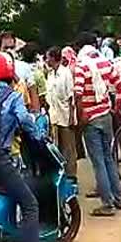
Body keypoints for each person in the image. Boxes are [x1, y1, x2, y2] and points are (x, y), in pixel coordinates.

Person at [0, 51, 56, 242]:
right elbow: (26, 122)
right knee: (31, 204)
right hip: (1, 160)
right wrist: (41, 135)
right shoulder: (12, 97)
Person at [74, 32, 121, 216]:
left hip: (91, 118)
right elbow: (120, 85)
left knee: (98, 162)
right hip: (106, 115)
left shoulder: (81, 65)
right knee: (110, 158)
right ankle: (119, 198)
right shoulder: (105, 62)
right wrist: (117, 107)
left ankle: (107, 204)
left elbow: (78, 94)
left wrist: (82, 116)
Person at [45, 47, 77, 178]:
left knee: (68, 148)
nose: (46, 60)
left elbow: (70, 97)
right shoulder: (50, 75)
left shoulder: (66, 73)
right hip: (54, 115)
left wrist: (71, 117)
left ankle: (71, 176)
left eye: (48, 57)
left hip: (65, 115)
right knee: (57, 148)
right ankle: (62, 176)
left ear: (53, 58)